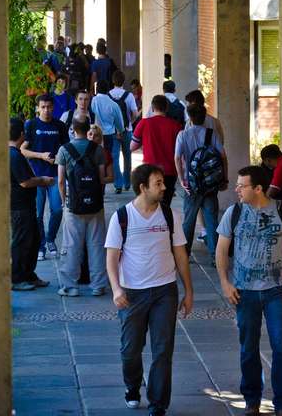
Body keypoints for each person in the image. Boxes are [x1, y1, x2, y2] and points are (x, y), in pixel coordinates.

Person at [215, 165, 282, 416]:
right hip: (244, 292)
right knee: (248, 348)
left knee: (281, 346)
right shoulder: (233, 213)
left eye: (241, 185)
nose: (237, 189)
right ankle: (252, 400)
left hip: (277, 290)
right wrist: (225, 283)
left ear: (258, 188)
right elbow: (221, 250)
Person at [104, 164, 193, 416]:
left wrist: (188, 291)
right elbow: (112, 257)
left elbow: (180, 255)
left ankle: (158, 403)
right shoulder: (122, 217)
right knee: (130, 350)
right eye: (158, 183)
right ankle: (132, 387)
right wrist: (116, 289)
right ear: (143, 187)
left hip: (165, 291)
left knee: (163, 349)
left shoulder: (169, 215)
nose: (164, 187)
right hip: (132, 293)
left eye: (163, 182)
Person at [56, 118, 109, 297]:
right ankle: (98, 285)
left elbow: (61, 181)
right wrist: (97, 198)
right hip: (95, 205)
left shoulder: (64, 150)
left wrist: (64, 202)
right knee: (96, 244)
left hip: (73, 205)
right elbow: (101, 179)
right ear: (88, 130)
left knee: (71, 246)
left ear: (72, 129)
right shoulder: (98, 149)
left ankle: (70, 286)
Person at [175, 104, 228, 259]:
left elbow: (177, 157)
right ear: (204, 117)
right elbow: (223, 156)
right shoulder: (212, 135)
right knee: (212, 220)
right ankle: (215, 255)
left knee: (189, 221)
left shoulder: (182, 135)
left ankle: (184, 254)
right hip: (210, 184)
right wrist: (224, 178)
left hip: (191, 184)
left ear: (189, 118)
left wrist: (181, 178)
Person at [21, 94, 69, 260]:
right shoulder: (32, 125)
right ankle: (40, 245)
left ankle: (50, 239)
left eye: (49, 107)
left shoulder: (60, 126)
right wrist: (40, 155)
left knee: (57, 210)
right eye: (43, 107)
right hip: (36, 176)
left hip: (56, 175)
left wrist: (59, 159)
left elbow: (66, 148)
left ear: (53, 107)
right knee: (37, 214)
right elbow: (23, 149)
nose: (46, 110)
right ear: (38, 108)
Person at [9, 118, 54, 291]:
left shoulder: (15, 153)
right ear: (22, 134)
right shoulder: (13, 155)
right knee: (22, 242)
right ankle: (17, 278)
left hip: (25, 205)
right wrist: (43, 180)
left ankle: (28, 274)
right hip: (19, 207)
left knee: (33, 240)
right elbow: (25, 182)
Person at [131, 95, 183, 206]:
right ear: (167, 108)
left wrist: (144, 141)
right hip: (170, 171)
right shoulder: (176, 126)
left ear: (152, 108)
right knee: (165, 204)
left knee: (150, 205)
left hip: (149, 171)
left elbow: (132, 146)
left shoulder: (144, 123)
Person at [109, 70, 139, 194]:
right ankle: (127, 183)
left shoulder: (108, 95)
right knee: (127, 157)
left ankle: (118, 184)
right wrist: (129, 123)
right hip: (127, 130)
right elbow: (135, 113)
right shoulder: (129, 96)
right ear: (123, 81)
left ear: (113, 81)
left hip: (113, 131)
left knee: (114, 157)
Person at [90, 79, 125, 156]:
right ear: (108, 89)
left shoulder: (92, 101)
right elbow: (120, 124)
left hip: (94, 133)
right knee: (107, 158)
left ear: (97, 89)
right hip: (109, 135)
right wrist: (120, 131)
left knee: (95, 158)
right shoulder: (114, 105)